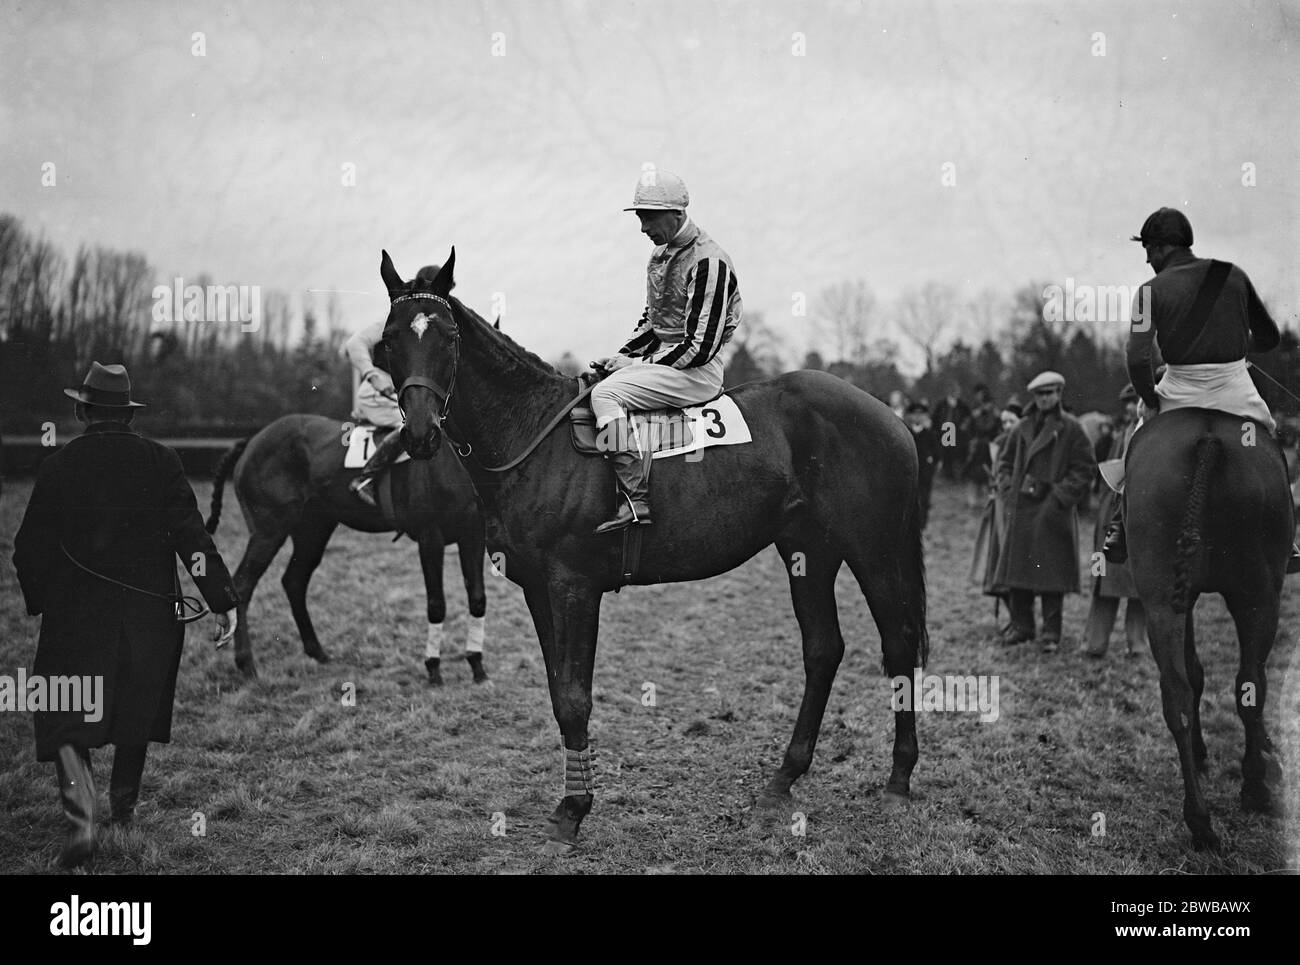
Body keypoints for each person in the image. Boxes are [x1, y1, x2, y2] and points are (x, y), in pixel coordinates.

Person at [12, 362, 238, 867]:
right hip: (149, 619)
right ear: (129, 415)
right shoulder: (162, 461)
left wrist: (41, 600)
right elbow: (192, 539)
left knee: (67, 718)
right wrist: (222, 599)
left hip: (74, 619)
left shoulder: (58, 466)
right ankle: (123, 807)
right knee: (137, 709)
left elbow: (27, 549)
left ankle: (81, 819)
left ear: (82, 410)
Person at [1103, 207, 1300, 571]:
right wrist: (1236, 348)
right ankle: (1286, 540)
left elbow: (1136, 357)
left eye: (1147, 249)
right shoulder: (1234, 275)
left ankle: (1120, 529)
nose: (1147, 259)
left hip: (1179, 384)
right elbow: (1270, 337)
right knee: (1268, 438)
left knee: (1138, 440)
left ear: (1161, 247)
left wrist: (1150, 402)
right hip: (1233, 384)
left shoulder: (1149, 291)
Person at [588, 170, 742, 533]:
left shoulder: (710, 261)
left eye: (649, 217)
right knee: (601, 379)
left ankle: (634, 499)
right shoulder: (660, 255)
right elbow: (651, 321)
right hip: (668, 364)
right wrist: (619, 357)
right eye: (640, 217)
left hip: (696, 372)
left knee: (605, 395)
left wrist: (635, 364)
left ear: (676, 213)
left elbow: (700, 347)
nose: (643, 227)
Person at [990, 371, 1097, 653]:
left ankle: (1051, 632)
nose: (1045, 398)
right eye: (1040, 394)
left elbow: (1085, 468)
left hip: (1052, 511)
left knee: (1051, 576)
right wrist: (1008, 489)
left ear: (1059, 394)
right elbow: (1003, 463)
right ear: (1033, 397)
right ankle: (1022, 626)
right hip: (1022, 509)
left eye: (1050, 393)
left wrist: (1060, 497)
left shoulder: (1072, 428)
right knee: (1019, 573)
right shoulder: (1021, 428)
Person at [346, 264, 443, 506]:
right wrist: (371, 374)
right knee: (412, 426)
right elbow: (353, 344)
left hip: (399, 394)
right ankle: (365, 479)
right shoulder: (395, 321)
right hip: (376, 394)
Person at [1084, 384, 1146, 657]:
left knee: (1138, 587)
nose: (1131, 408)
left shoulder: (1152, 432)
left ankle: (1138, 643)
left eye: (1136, 402)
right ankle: (1096, 642)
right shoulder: (1121, 433)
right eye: (1128, 404)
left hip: (1139, 515)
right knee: (1103, 580)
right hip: (1111, 513)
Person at [971, 400, 1022, 607]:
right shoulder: (998, 443)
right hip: (998, 506)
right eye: (1004, 422)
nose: (1008, 426)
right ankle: (1005, 600)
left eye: (1012, 421)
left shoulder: (1022, 443)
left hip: (1015, 507)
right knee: (997, 555)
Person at [904, 400, 941, 530]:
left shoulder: (930, 434)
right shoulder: (905, 432)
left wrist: (931, 467)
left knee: (924, 500)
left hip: (925, 473)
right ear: (910, 416)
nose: (918, 417)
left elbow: (936, 454)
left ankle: (922, 524)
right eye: (915, 414)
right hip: (908, 473)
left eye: (921, 414)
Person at [962, 383, 1000, 508]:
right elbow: (967, 427)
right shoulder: (975, 412)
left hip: (989, 446)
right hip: (978, 446)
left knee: (988, 473)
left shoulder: (994, 413)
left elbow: (995, 427)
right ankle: (973, 500)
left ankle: (986, 500)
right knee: (974, 473)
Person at [932, 381, 972, 482]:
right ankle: (946, 474)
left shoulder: (963, 405)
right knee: (945, 454)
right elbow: (935, 419)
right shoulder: (941, 404)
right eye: (953, 390)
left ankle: (956, 476)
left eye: (957, 390)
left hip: (958, 435)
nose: (955, 392)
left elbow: (968, 418)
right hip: (944, 433)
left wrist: (964, 426)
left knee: (957, 455)